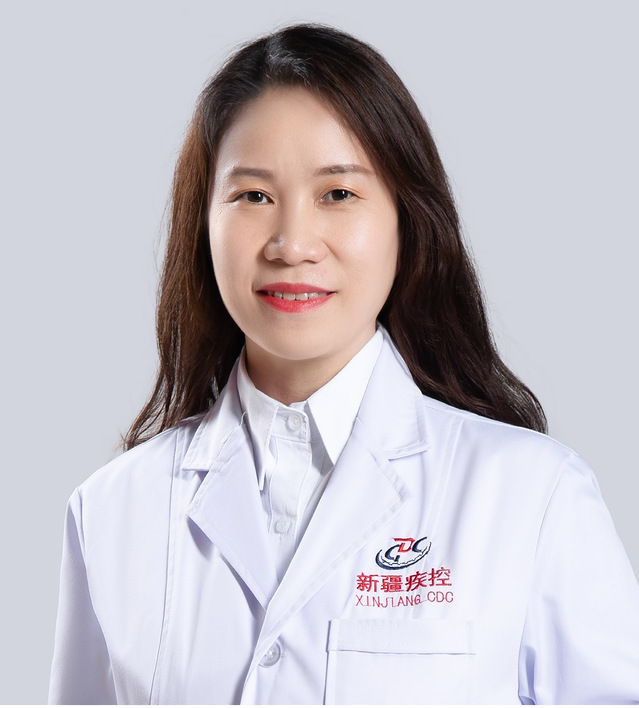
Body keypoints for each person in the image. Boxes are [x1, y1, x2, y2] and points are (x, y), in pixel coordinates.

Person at [48, 24, 639, 704]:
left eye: (337, 194)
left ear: (406, 221)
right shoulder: (112, 511)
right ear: (202, 224)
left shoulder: (532, 497)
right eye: (253, 196)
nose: (292, 243)